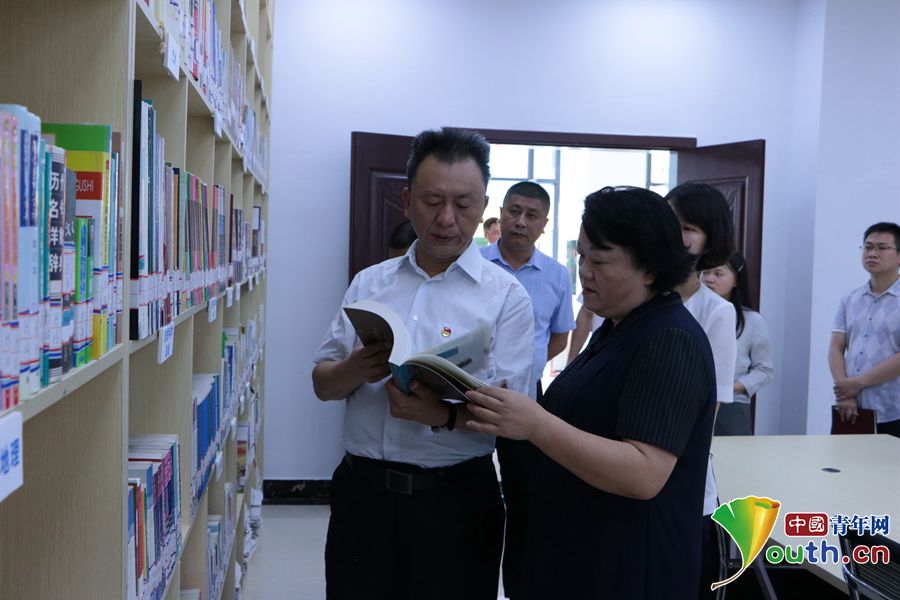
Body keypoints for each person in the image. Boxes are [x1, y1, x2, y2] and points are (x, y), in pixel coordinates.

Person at [311, 127, 534, 600]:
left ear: (484, 205)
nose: (447, 219)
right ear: (407, 200)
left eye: (464, 204)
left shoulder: (506, 298)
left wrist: (439, 414)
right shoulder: (369, 283)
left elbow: (515, 418)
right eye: (432, 201)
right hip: (364, 497)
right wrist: (355, 369)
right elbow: (322, 385)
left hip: (456, 504)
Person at [466, 186, 716, 598]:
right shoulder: (617, 327)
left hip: (629, 570)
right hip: (584, 557)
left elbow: (644, 472)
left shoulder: (670, 339)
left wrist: (535, 423)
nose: (584, 271)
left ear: (649, 268)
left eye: (599, 261)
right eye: (581, 256)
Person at [480, 180, 575, 599]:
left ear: (544, 224)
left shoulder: (556, 275)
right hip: (468, 388)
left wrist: (526, 365)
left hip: (525, 395)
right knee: (468, 486)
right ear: (500, 213)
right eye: (513, 211)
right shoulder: (472, 263)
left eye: (531, 215)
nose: (520, 221)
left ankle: (519, 586)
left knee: (524, 497)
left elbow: (558, 337)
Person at [665, 182, 737, 599]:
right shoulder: (633, 297)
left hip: (681, 478)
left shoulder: (716, 313)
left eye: (689, 228)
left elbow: (708, 413)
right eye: (671, 222)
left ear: (710, 240)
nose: (677, 235)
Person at [830, 222, 900, 438]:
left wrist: (858, 384)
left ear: (899, 256)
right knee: (845, 460)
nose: (872, 253)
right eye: (868, 247)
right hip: (851, 408)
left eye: (882, 248)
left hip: (893, 410)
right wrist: (845, 393)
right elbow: (836, 347)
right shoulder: (850, 299)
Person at [702, 253, 775, 435]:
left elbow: (764, 370)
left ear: (736, 280)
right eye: (705, 272)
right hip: (693, 401)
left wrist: (729, 387)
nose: (709, 279)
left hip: (731, 406)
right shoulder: (691, 312)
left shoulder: (752, 320)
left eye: (718, 273)